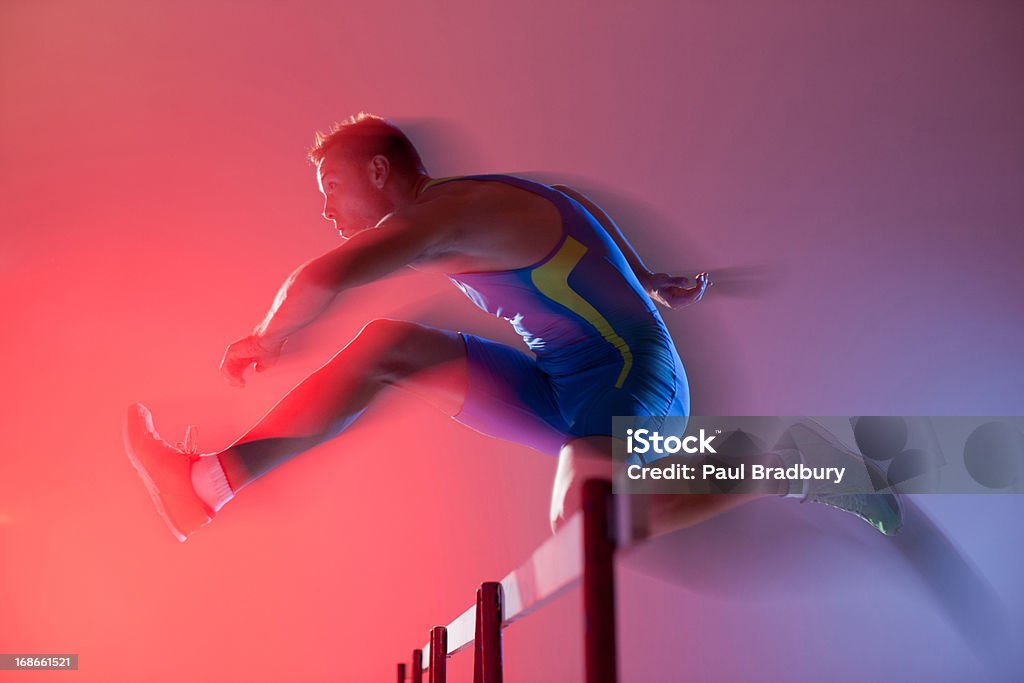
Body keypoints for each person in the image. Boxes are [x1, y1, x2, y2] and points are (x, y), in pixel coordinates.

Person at [124, 113, 901, 542]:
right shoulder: (479, 203)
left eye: (333, 187)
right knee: (390, 348)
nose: (327, 209)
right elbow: (569, 201)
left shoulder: (444, 216)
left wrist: (269, 335)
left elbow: (326, 275)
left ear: (379, 171)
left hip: (633, 377)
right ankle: (208, 484)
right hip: (559, 386)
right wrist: (644, 273)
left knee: (587, 527)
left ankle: (794, 463)